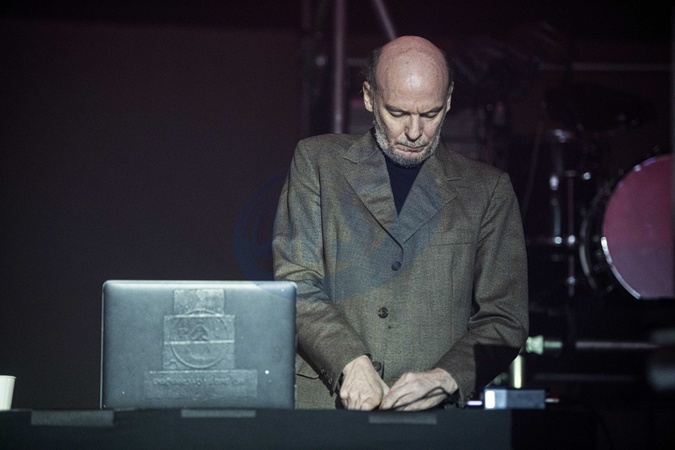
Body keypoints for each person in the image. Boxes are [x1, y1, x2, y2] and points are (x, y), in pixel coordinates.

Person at [272, 36, 528, 411]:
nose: (414, 132)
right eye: (397, 113)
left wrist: (447, 378)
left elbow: (505, 318)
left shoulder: (488, 190)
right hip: (325, 406)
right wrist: (348, 362)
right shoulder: (317, 161)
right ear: (369, 97)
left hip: (432, 419)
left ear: (449, 101)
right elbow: (296, 282)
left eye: (430, 114)